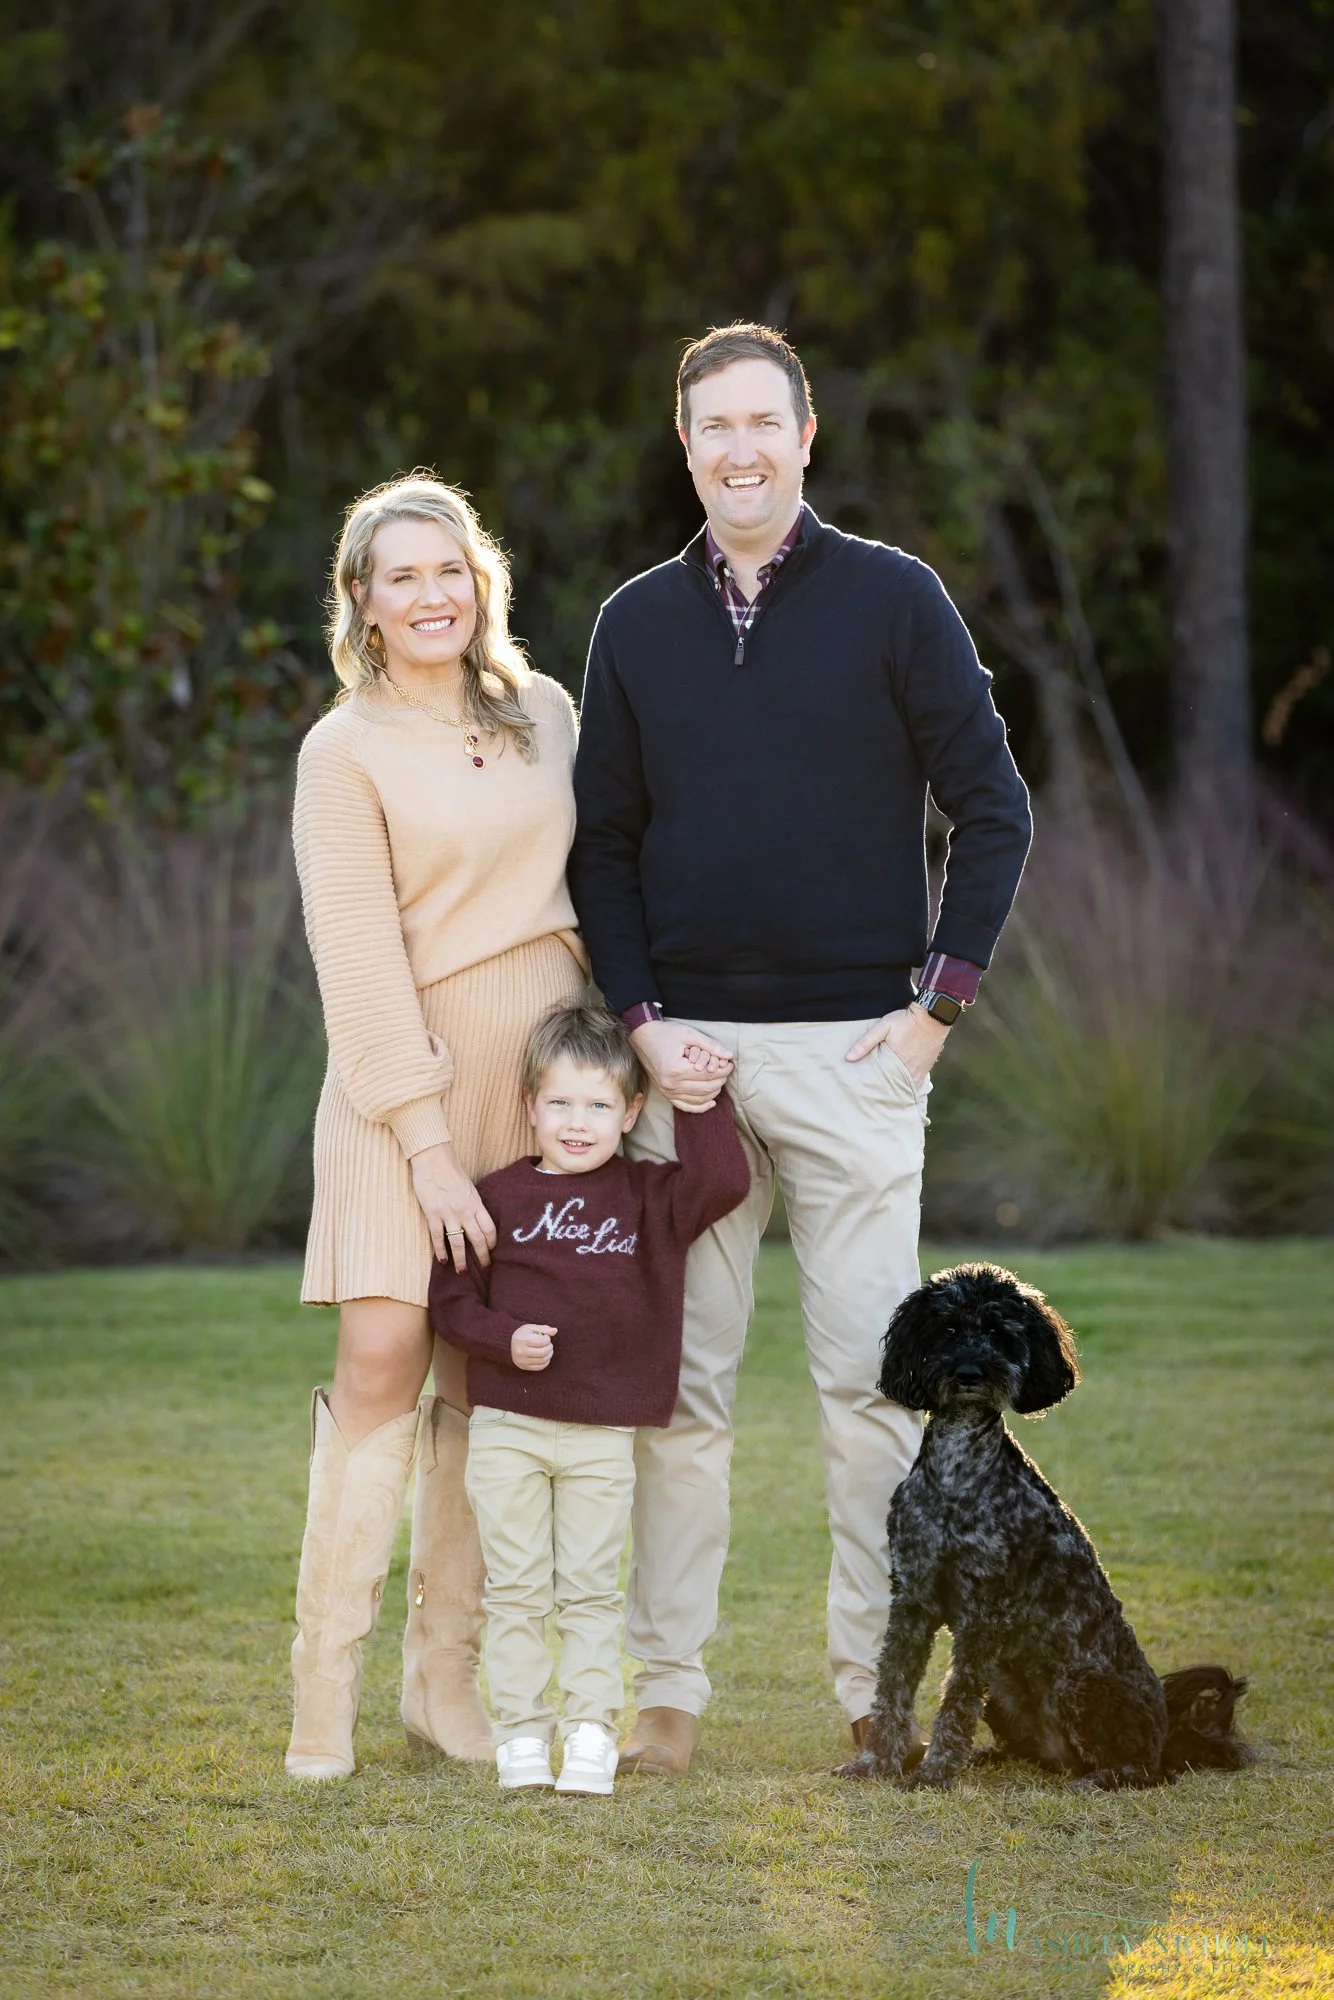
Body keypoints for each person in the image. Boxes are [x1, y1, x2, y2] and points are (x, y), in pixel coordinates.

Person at [569, 322, 1033, 1775]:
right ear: (685, 444)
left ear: (806, 436)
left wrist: (930, 1017)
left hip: (855, 1058)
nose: (740, 449)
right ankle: (667, 1691)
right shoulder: (635, 622)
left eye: (763, 422)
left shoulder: (895, 599)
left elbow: (992, 810)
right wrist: (644, 1028)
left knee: (864, 1395)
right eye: (713, 427)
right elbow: (604, 852)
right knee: (680, 1392)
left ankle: (869, 1687)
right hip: (685, 1066)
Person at [285, 473, 589, 1781]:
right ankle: (321, 1691)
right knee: (383, 1357)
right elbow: (354, 955)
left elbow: (600, 880)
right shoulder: (340, 747)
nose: (429, 595)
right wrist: (421, 1143)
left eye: (448, 569)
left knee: (491, 1378)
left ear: (483, 580)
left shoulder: (548, 715)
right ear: (360, 598)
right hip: (396, 1079)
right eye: (399, 576)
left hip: (536, 1077)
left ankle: (442, 1685)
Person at [430, 1002, 749, 1795]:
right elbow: (450, 1301)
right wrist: (502, 1339)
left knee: (591, 1589)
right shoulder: (494, 1198)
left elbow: (725, 1180)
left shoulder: (651, 1197)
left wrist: (702, 1101)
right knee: (515, 1588)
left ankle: (589, 1735)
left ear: (633, 1111)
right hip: (509, 1427)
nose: (579, 1122)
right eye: (562, 1103)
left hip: (602, 1433)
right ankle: (521, 1737)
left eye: (600, 1105)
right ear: (530, 1106)